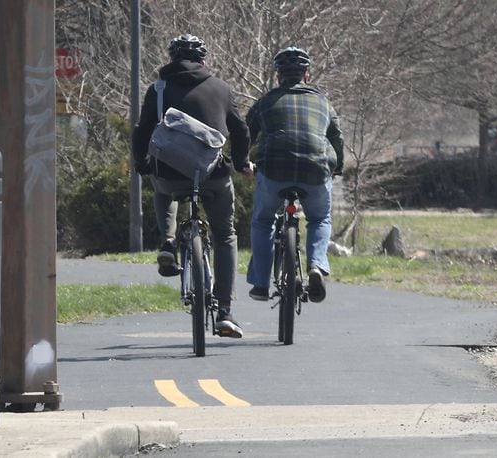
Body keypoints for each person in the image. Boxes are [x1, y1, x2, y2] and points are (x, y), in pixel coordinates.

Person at [132, 34, 251, 338]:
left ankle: (168, 242)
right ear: (203, 61)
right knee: (225, 235)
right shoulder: (221, 88)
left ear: (171, 59)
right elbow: (240, 130)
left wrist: (142, 163)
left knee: (162, 187)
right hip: (212, 174)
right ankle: (224, 311)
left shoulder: (157, 89)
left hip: (170, 173)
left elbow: (143, 130)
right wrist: (240, 163)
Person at [245, 47, 344, 303]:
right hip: (315, 171)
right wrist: (338, 167)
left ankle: (260, 283)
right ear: (307, 75)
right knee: (320, 218)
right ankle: (316, 266)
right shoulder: (323, 102)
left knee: (263, 220)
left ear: (278, 76)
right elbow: (337, 136)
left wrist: (242, 162)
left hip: (274, 170)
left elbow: (246, 133)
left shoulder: (266, 101)